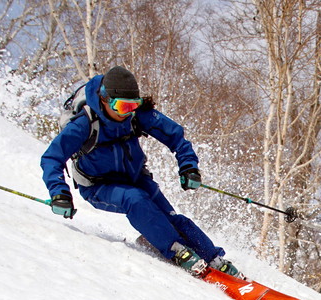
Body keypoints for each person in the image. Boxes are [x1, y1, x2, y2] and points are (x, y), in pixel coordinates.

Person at [41, 66, 241, 278]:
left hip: (136, 178)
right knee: (136, 200)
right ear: (104, 99)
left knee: (170, 217)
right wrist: (59, 193)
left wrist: (188, 165)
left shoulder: (135, 115)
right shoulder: (84, 124)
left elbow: (176, 137)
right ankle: (175, 250)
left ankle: (213, 258)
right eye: (122, 106)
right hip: (99, 186)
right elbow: (52, 158)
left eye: (133, 106)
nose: (127, 112)